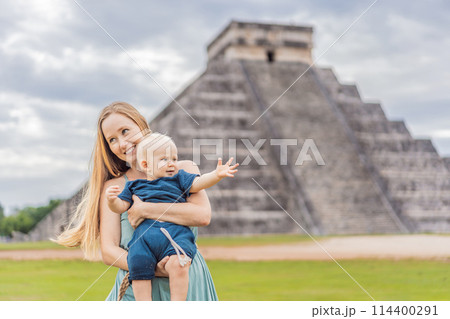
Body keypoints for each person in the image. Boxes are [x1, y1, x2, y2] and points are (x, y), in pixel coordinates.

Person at [56, 101, 219, 301]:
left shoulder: (183, 169)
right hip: (137, 290)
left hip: (187, 286)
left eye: (125, 131)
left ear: (142, 126)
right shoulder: (114, 187)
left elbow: (202, 216)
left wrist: (144, 209)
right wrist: (152, 268)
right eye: (112, 140)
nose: (122, 144)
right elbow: (109, 251)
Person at [106, 133, 238, 300]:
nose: (171, 164)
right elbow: (120, 207)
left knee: (179, 263)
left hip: (175, 236)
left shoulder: (179, 179)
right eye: (164, 160)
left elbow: (199, 183)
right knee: (137, 262)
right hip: (144, 239)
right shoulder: (134, 186)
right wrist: (111, 201)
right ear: (146, 165)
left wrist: (216, 175)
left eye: (174, 159)